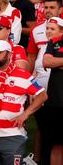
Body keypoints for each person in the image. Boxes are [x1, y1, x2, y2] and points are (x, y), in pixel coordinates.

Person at [0, 40, 47, 165]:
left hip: (12, 135)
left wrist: (26, 114)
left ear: (9, 55)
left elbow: (42, 95)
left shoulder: (23, 75)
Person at [40, 17, 63, 164]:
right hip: (56, 101)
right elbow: (47, 62)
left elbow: (52, 62)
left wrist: (57, 63)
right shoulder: (54, 42)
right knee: (57, 145)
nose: (48, 31)